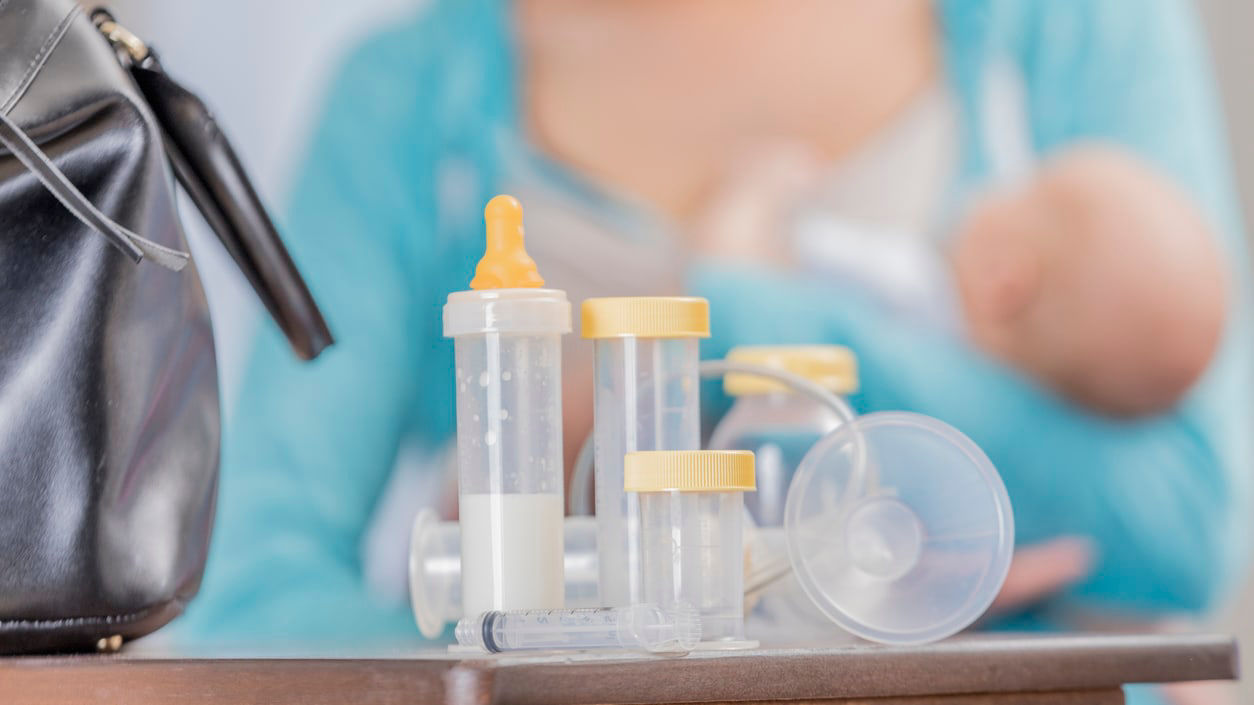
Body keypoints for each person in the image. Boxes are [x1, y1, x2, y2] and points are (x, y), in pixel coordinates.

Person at [178, 1, 1251, 693]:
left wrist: (730, 310)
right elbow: (252, 604)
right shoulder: (411, 98)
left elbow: (1186, 522)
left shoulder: (1066, 29)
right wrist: (551, 640)